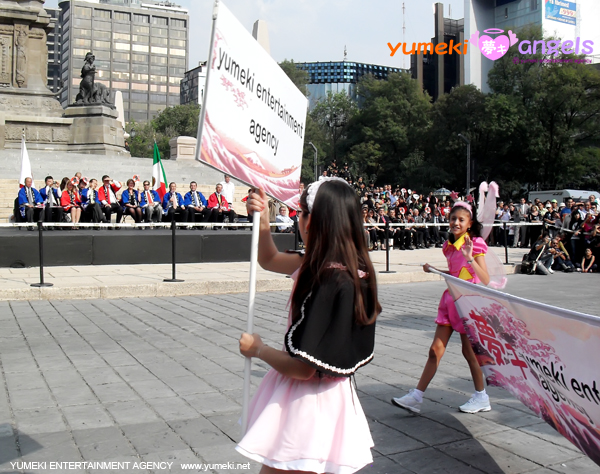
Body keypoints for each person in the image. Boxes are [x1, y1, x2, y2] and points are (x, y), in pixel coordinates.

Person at [237, 178, 380, 474]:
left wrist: (259, 349)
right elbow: (269, 258)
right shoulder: (347, 271)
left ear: (311, 221)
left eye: (300, 212)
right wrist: (263, 217)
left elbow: (303, 368)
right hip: (332, 399)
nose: (297, 218)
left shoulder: (330, 280)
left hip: (305, 404)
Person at [392, 201, 492, 414]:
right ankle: (417, 396)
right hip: (450, 300)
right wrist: (435, 269)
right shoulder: (449, 246)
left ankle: (481, 396)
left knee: (469, 352)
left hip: (467, 302)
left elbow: (484, 279)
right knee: (435, 350)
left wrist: (470, 258)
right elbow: (455, 272)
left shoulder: (474, 244)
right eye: (453, 219)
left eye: (461, 220)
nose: (456, 223)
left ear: (469, 223)